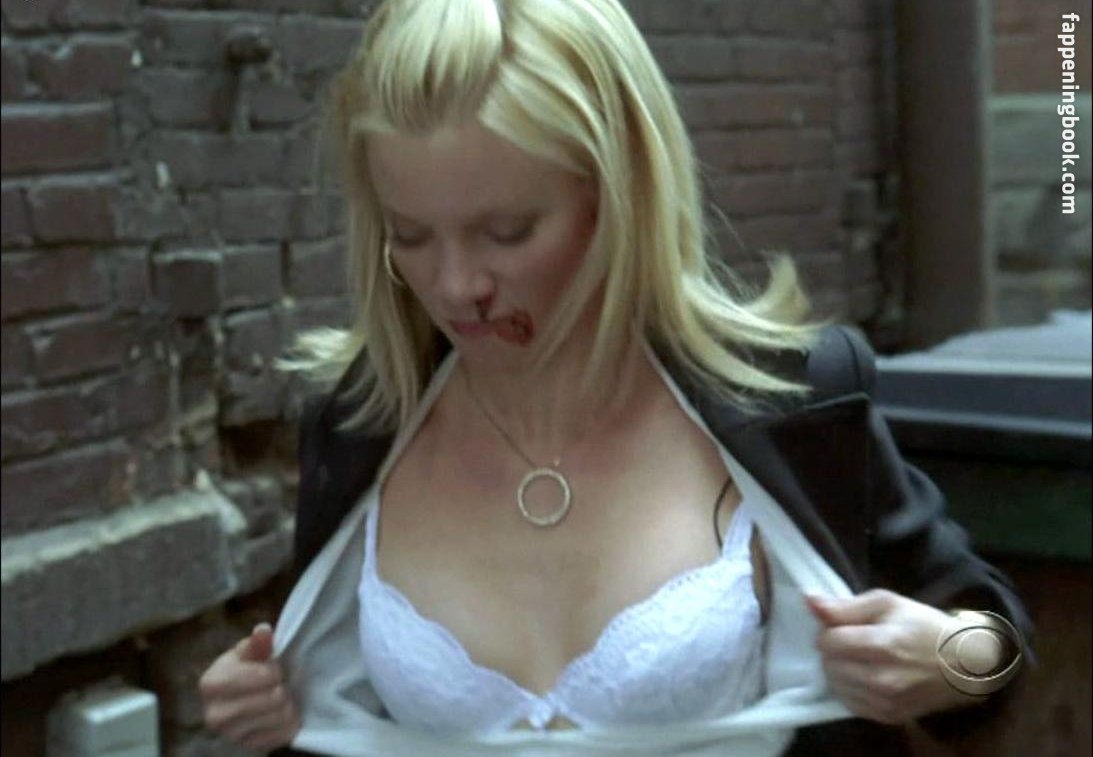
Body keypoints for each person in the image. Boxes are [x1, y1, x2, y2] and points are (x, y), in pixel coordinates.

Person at [198, 0, 1031, 754]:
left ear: (619, 195)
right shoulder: (359, 424)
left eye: (506, 230)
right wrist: (273, 712)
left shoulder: (791, 400)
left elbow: (999, 649)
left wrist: (951, 660)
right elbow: (334, 713)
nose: (455, 285)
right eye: (410, 234)